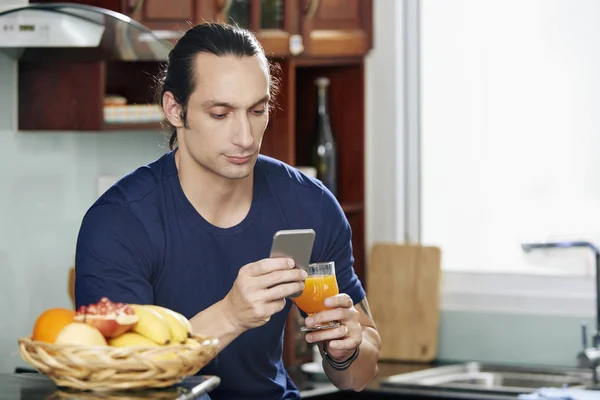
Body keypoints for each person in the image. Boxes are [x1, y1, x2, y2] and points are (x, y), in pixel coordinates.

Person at [74, 22, 381, 399]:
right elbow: (119, 385)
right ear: (175, 109)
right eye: (220, 114)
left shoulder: (309, 205)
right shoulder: (118, 224)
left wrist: (347, 351)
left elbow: (360, 374)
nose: (246, 137)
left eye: (257, 110)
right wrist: (231, 315)